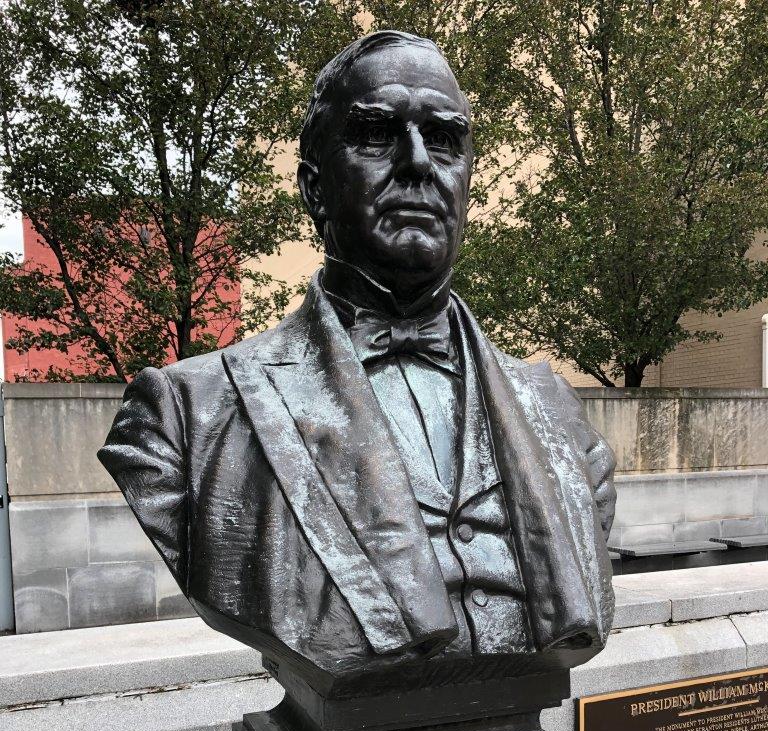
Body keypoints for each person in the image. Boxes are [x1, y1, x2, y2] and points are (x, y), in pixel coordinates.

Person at [99, 30, 616, 685]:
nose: (418, 162)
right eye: (376, 133)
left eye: (445, 137)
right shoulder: (184, 415)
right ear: (315, 188)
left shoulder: (559, 414)